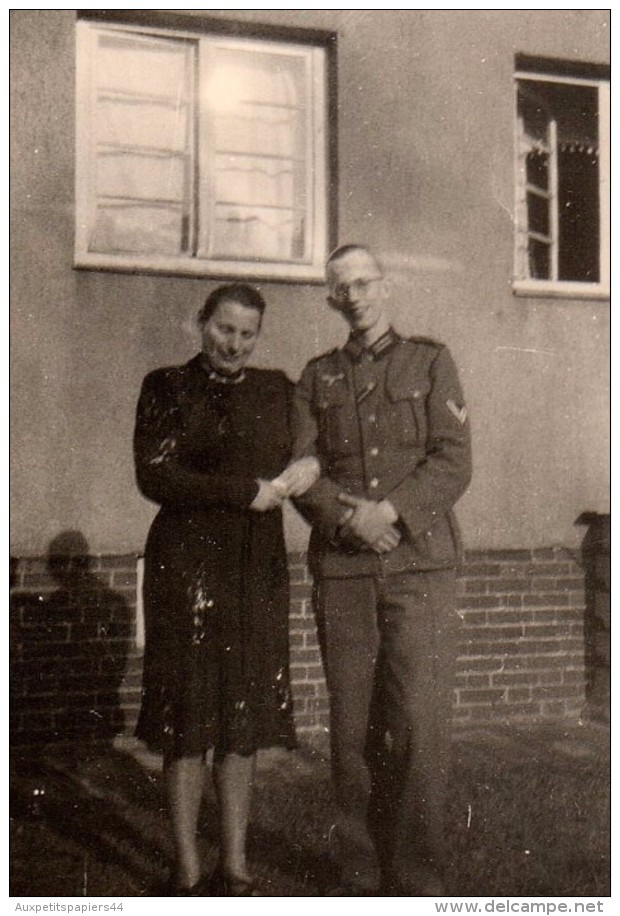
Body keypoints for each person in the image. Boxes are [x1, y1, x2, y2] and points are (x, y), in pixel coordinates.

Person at [292, 244, 472, 896]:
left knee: (420, 727)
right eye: (344, 288)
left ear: (385, 286)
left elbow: (453, 461)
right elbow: (303, 470)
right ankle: (359, 877)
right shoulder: (315, 378)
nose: (357, 296)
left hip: (421, 567)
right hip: (344, 572)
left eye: (366, 282)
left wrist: (390, 510)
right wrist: (351, 519)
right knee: (351, 731)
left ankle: (419, 880)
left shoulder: (430, 360)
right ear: (332, 299)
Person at [133, 283, 319, 896]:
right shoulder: (166, 385)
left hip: (253, 566)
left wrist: (310, 466)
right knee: (187, 717)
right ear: (201, 324)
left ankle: (234, 867)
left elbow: (318, 446)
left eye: (247, 334)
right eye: (224, 330)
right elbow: (155, 473)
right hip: (186, 564)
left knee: (242, 715)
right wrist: (244, 491)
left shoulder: (277, 390)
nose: (234, 344)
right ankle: (187, 867)